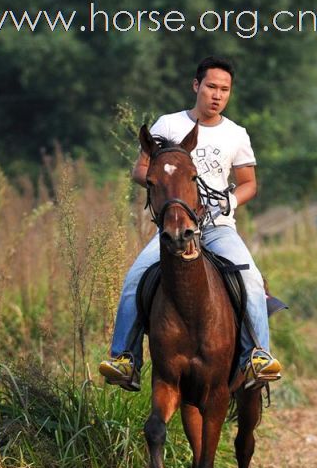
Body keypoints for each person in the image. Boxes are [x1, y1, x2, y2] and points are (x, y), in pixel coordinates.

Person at [99, 55, 282, 392]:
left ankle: (257, 356)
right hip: (172, 227)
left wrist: (231, 200)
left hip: (218, 228)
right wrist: (162, 186)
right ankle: (124, 358)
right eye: (211, 86)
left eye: (224, 90)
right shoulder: (168, 125)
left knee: (251, 279)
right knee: (134, 279)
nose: (217, 95)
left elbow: (249, 183)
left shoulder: (236, 134)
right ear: (196, 85)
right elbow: (140, 169)